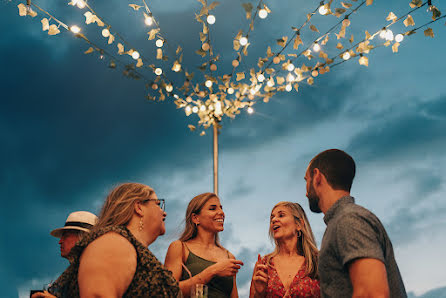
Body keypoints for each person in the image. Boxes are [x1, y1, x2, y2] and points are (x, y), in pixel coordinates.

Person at [32, 182, 180, 298]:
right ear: (139, 207)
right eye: (158, 204)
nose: (164, 212)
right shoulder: (114, 241)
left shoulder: (125, 245)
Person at [304, 149, 407, 297]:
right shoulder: (343, 221)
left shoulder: (348, 221)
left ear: (317, 176)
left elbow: (372, 293)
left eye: (306, 180)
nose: (306, 192)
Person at [164, 192, 244, 298]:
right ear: (195, 218)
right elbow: (168, 291)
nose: (221, 212)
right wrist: (213, 271)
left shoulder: (229, 256)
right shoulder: (179, 247)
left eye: (221, 208)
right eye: (212, 208)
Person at [250, 202, 320, 298]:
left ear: (299, 224)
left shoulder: (317, 261)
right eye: (272, 218)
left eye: (281, 215)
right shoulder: (264, 265)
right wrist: (259, 294)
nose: (274, 220)